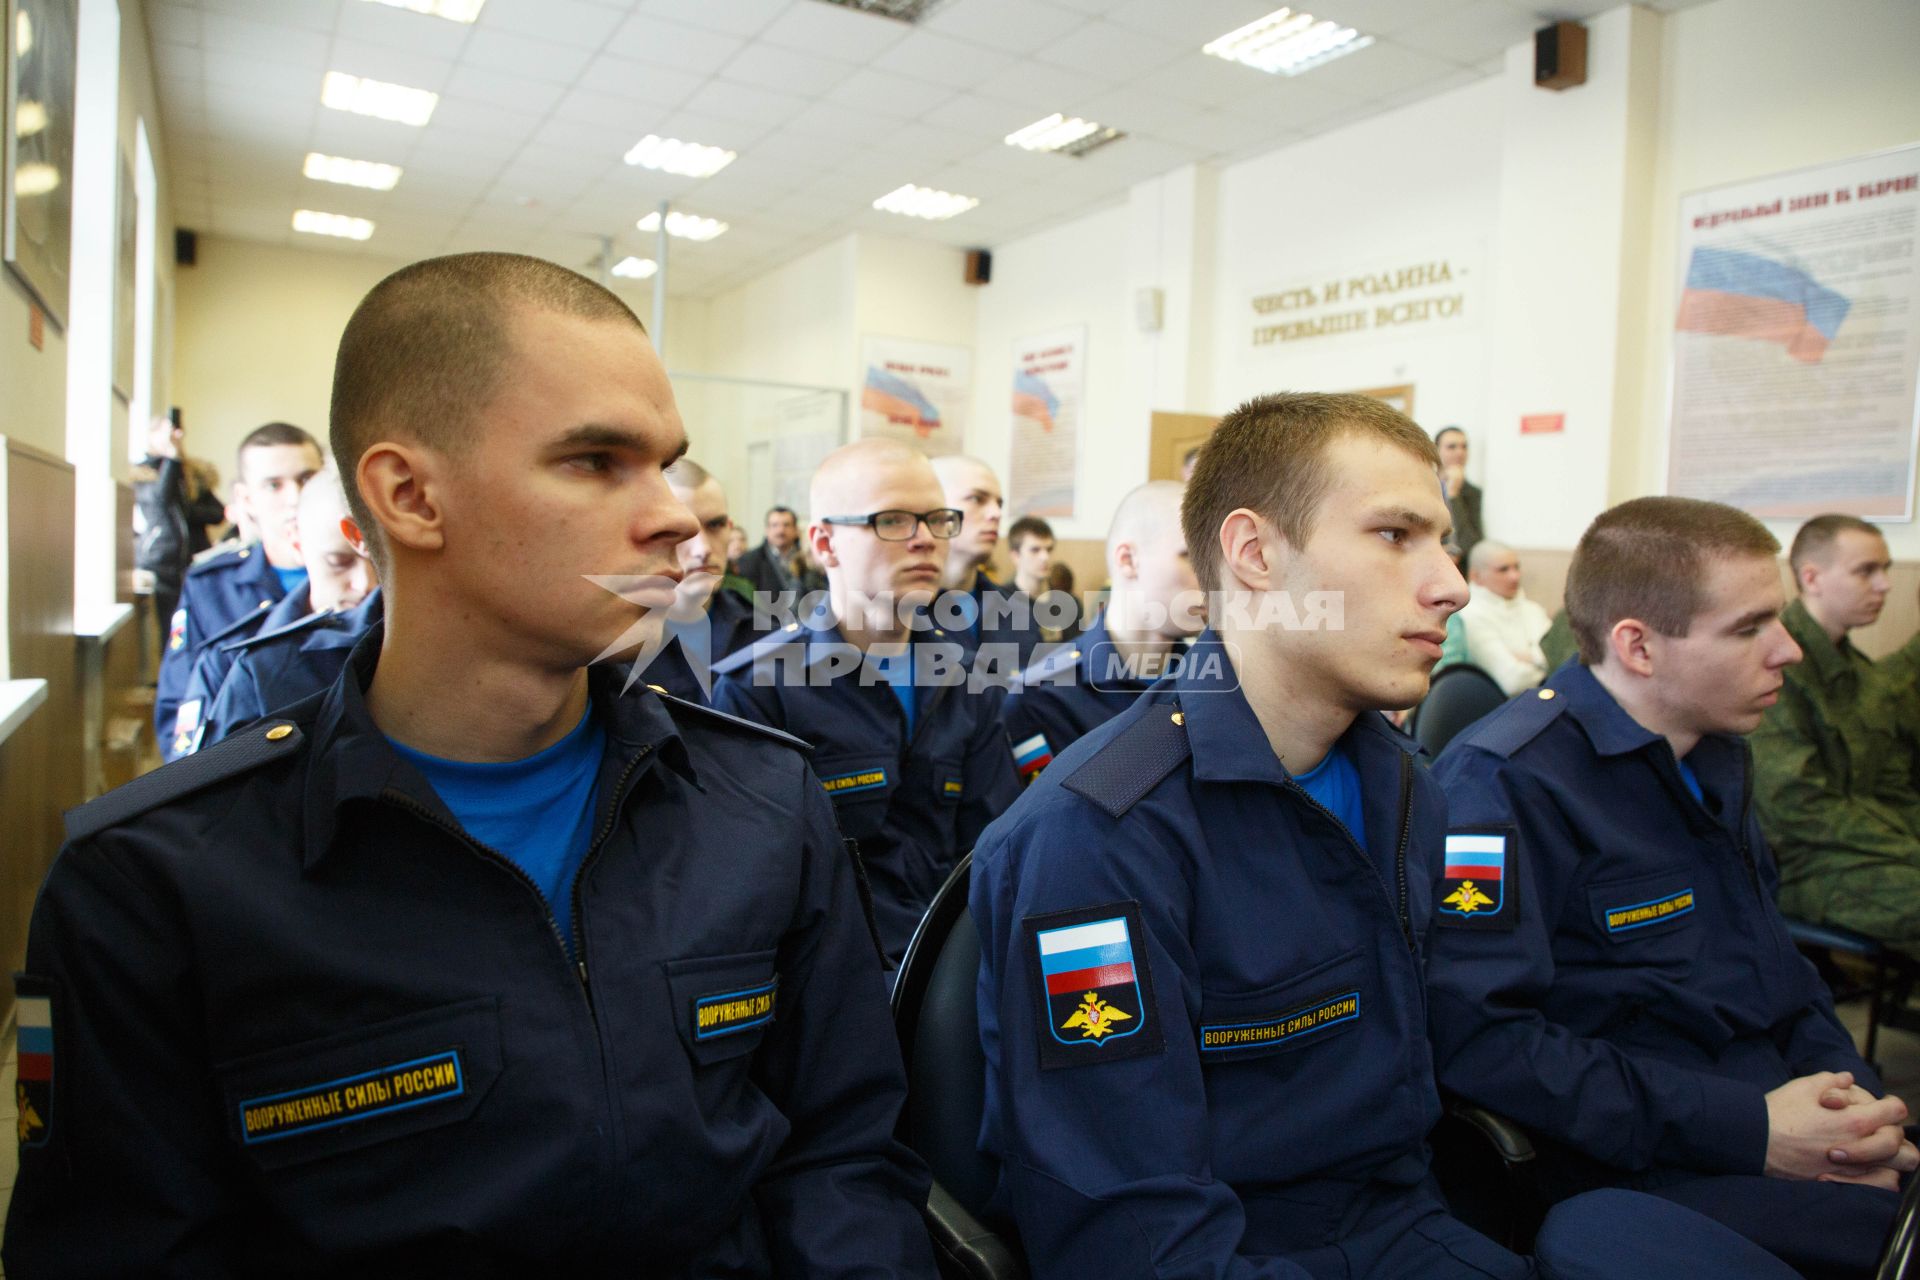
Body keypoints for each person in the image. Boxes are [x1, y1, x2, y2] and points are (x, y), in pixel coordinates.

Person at [6, 252, 935, 1275]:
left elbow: (842, 1160)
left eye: (666, 462)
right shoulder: (159, 887)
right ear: (409, 495)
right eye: (594, 461)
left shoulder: (759, 802)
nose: (674, 515)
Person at [971, 393, 1797, 1280]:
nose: (1452, 582)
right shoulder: (1099, 840)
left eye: (1441, 538)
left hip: (1408, 1229)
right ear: (1254, 554)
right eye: (1396, 535)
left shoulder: (1399, 781)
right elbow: (1136, 1245)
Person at [1426, 496, 1913, 1280]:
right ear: (1639, 648)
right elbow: (1484, 1043)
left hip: (1771, 1114)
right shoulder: (1504, 788)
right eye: (1750, 627)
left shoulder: (1718, 754)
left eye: (1780, 619)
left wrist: (1857, 1108)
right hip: (1644, 1157)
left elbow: (1777, 970)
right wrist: (1749, 1130)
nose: (1787, 649)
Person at [713, 439, 1021, 965]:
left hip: (948, 974)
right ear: (825, 544)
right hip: (829, 986)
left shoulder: (969, 682)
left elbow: (994, 857)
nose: (926, 540)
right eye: (894, 520)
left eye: (938, 519)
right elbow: (752, 887)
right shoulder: (760, 688)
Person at [1753, 514, 1920, 949]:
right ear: (1812, 577)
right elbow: (1797, 808)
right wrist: (1908, 847)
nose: (1884, 585)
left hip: (1864, 852)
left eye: (1885, 570)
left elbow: (1892, 784)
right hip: (1803, 867)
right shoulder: (1774, 670)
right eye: (1866, 571)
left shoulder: (1859, 674)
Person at [174, 466, 380, 756]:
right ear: (297, 544)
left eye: (382, 565)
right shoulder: (234, 662)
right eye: (338, 562)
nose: (365, 584)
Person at [1003, 481, 1200, 781]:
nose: (1214, 573)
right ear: (1128, 560)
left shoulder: (1214, 680)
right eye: (1192, 555)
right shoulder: (1043, 698)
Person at [152, 421, 323, 751]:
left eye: (307, 479)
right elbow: (181, 714)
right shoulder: (211, 588)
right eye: (274, 485)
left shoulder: (370, 578)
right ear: (245, 499)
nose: (295, 498)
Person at [636, 457, 761, 703]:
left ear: (730, 528)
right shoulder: (612, 644)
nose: (702, 549)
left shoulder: (764, 631)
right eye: (682, 530)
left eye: (715, 525)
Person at [931, 454, 1040, 666]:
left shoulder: (1018, 612)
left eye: (999, 503)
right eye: (976, 499)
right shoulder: (899, 613)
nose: (996, 513)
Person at [1456, 539, 1552, 694]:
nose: (1515, 576)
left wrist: (1530, 657)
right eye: (1503, 570)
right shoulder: (1469, 616)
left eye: (1516, 567)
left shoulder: (1534, 610)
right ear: (1476, 576)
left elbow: (1566, 659)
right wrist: (1545, 659)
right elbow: (1512, 682)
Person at [734, 505, 821, 601]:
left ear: (796, 530)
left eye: (786, 525)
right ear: (766, 530)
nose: (780, 531)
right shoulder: (749, 561)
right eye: (775, 525)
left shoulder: (810, 560)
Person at [1436, 425, 1483, 565]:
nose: (1460, 452)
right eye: (1452, 447)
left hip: (1460, 569)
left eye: (1464, 447)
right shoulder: (1422, 486)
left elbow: (1471, 545)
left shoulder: (1472, 492)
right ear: (1436, 450)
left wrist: (1453, 495)